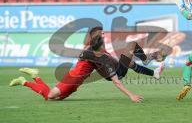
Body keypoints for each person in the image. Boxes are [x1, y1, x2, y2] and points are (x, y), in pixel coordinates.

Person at [9, 26, 165, 102]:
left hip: (77, 82)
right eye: (102, 34)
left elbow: (93, 53)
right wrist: (131, 95)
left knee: (54, 98)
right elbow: (115, 81)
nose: (105, 35)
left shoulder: (96, 50)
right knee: (50, 96)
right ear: (97, 39)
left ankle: (151, 69)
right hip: (72, 79)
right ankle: (29, 80)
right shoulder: (96, 54)